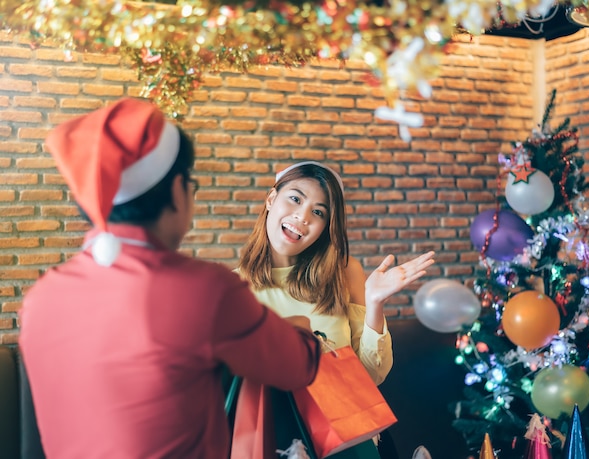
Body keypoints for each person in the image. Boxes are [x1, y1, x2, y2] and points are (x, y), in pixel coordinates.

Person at [18, 98, 322, 459]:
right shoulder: (205, 291)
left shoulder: (40, 299)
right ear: (178, 189)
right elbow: (298, 366)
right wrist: (302, 327)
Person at [235, 161, 436, 457]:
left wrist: (376, 301)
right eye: (295, 198)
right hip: (275, 444)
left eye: (318, 212)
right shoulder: (232, 290)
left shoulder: (344, 272)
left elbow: (371, 375)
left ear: (325, 226)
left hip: (348, 439)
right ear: (270, 199)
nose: (302, 217)